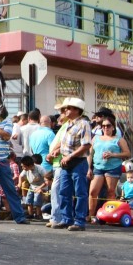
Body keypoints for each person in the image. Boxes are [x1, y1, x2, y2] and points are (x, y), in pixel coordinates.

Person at [49, 96, 92, 231]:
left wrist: (70, 156)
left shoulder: (83, 124)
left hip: (78, 161)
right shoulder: (68, 124)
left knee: (80, 192)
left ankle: (79, 221)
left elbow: (86, 145)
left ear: (76, 110)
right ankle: (66, 219)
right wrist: (56, 151)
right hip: (66, 161)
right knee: (64, 191)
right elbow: (64, 143)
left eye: (68, 108)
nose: (65, 110)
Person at [88, 116, 131, 220]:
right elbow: (90, 154)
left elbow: (127, 153)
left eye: (108, 126)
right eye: (103, 126)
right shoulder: (96, 138)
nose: (105, 128)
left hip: (113, 167)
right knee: (93, 192)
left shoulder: (119, 139)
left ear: (113, 127)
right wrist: (89, 168)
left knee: (110, 192)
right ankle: (91, 215)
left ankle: (109, 216)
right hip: (98, 167)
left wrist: (113, 154)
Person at [19, 155, 47, 220]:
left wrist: (40, 188)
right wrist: (19, 184)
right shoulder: (25, 169)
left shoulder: (40, 169)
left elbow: (47, 180)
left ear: (30, 165)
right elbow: (20, 176)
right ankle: (30, 214)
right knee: (28, 200)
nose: (23, 168)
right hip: (32, 186)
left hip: (41, 186)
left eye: (24, 166)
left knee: (37, 201)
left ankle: (38, 215)